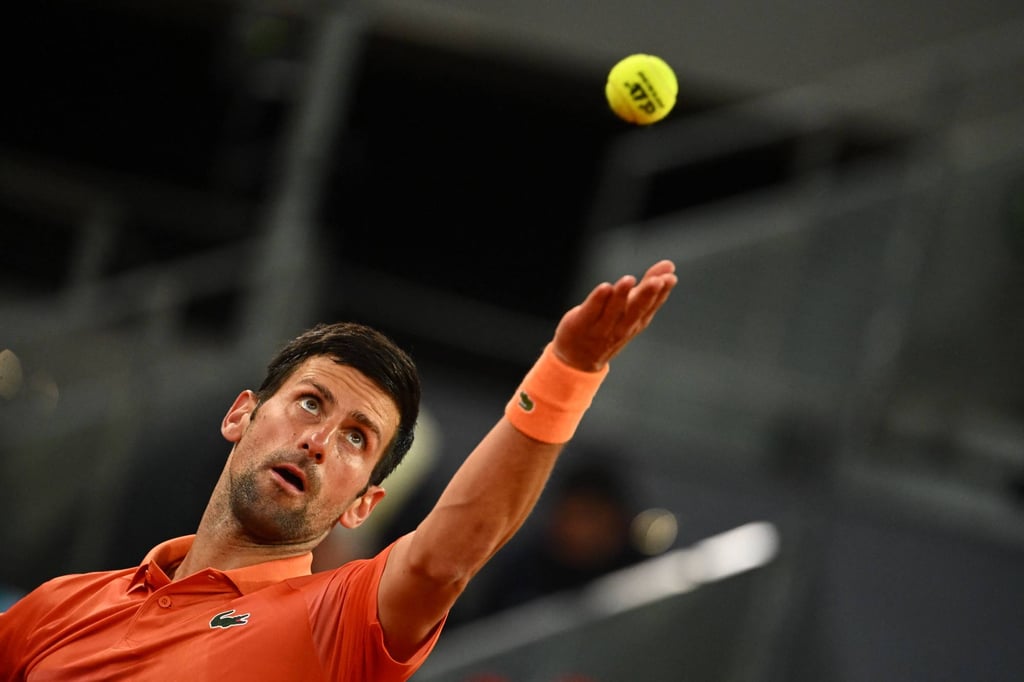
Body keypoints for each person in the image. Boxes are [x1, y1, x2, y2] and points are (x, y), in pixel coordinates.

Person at [0, 259, 677, 681]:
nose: (320, 440)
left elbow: (442, 562)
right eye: (309, 403)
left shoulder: (337, 623)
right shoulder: (60, 606)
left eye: (357, 437)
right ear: (241, 416)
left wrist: (569, 371)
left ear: (363, 504)